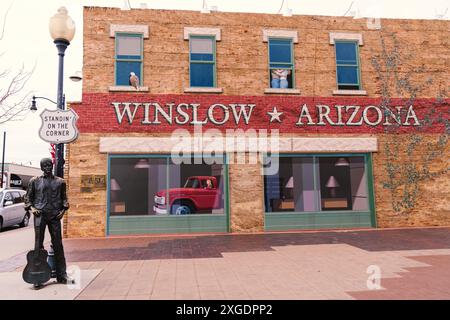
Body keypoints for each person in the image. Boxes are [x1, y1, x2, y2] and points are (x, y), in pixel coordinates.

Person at [24, 158, 71, 284]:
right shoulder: (34, 181)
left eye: (49, 165)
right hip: (40, 215)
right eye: (44, 165)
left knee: (58, 245)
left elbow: (65, 200)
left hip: (55, 215)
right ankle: (38, 276)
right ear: (41, 167)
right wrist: (33, 209)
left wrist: (62, 212)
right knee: (38, 245)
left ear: (52, 165)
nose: (47, 167)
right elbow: (28, 198)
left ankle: (62, 275)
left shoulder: (60, 182)